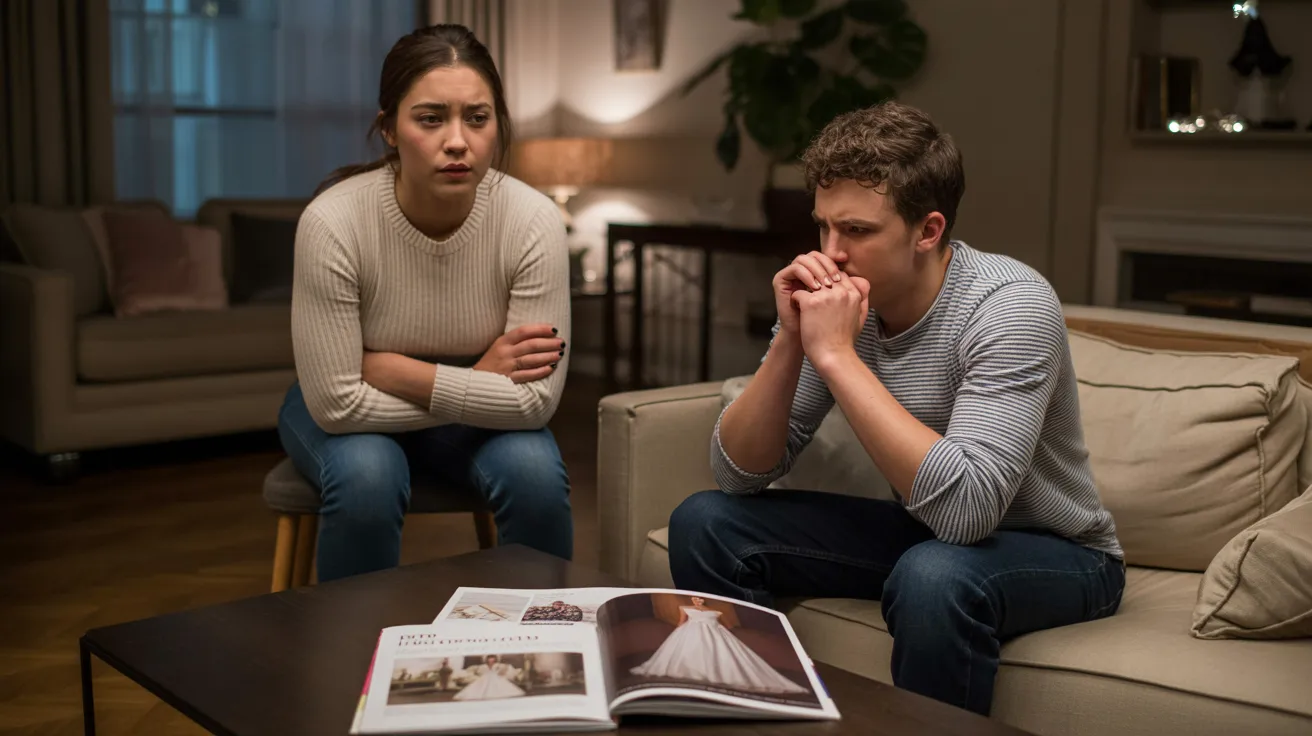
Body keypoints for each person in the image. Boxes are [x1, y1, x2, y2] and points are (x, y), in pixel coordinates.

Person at [666, 101, 1126, 716]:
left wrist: (836, 357)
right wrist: (791, 339)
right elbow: (740, 473)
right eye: (823, 226)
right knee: (706, 520)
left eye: (856, 231)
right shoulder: (846, 304)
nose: (830, 253)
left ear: (928, 230)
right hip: (923, 531)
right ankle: (752, 712)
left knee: (933, 574)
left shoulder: (1010, 306)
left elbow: (968, 513)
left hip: (1062, 552)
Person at [276, 23, 573, 584]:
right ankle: (352, 657)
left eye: (477, 118)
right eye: (430, 118)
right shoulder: (334, 222)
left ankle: (546, 650)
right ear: (389, 128)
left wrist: (397, 370)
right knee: (368, 475)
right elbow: (337, 405)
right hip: (346, 406)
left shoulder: (532, 221)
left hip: (392, 383)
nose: (457, 140)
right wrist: (476, 382)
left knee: (534, 475)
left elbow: (534, 403)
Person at [629, 596, 807, 695]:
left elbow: (724, 625)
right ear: (692, 599)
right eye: (696, 599)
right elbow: (681, 623)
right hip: (692, 632)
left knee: (719, 657)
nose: (698, 601)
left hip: (714, 633)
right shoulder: (685, 609)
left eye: (700, 599)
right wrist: (678, 636)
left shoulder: (714, 611)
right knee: (693, 656)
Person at [454, 655, 525, 701]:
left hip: (495, 677)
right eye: (489, 658)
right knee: (480, 685)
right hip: (485, 677)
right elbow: (475, 670)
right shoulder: (483, 666)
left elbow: (505, 668)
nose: (491, 660)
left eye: (492, 658)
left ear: (495, 659)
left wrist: (502, 672)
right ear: (487, 659)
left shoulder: (498, 665)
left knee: (497, 684)